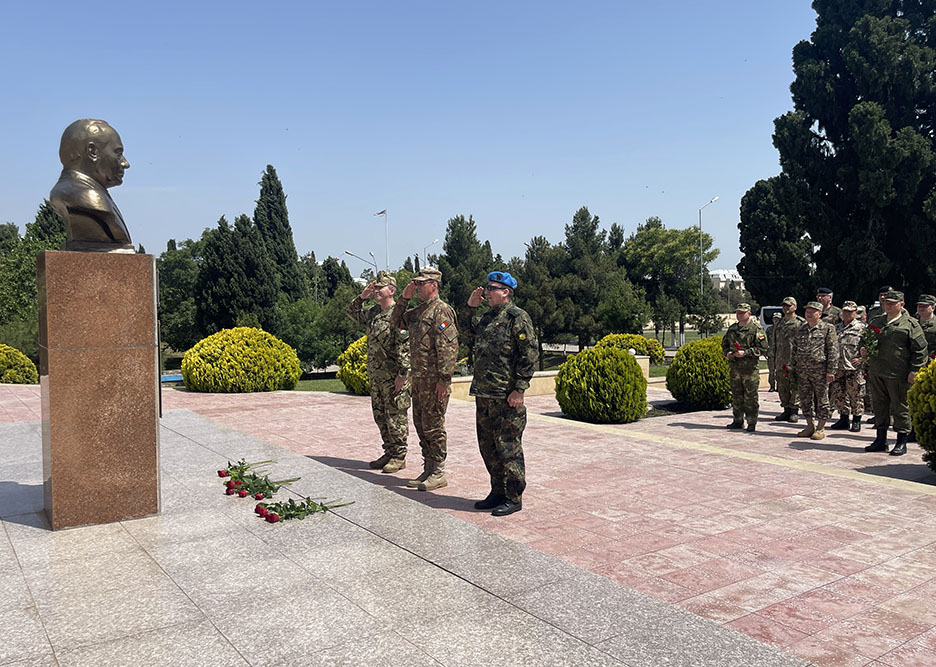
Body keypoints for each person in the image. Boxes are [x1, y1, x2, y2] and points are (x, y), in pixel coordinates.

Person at [466, 271, 538, 517]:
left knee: (508, 447)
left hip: (506, 395)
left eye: (491, 288)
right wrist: (470, 308)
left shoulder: (518, 318)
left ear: (505, 291)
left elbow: (529, 355)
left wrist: (519, 388)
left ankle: (514, 496)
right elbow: (466, 331)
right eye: (486, 288)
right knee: (488, 446)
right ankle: (497, 491)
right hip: (485, 394)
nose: (486, 292)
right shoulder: (487, 317)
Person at [390, 267, 459, 490]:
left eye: (421, 284)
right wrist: (403, 298)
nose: (418, 286)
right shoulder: (419, 311)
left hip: (434, 382)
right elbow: (396, 322)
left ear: (434, 285)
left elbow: (448, 348)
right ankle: (428, 468)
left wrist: (444, 380)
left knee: (434, 426)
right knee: (421, 424)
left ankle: (438, 471)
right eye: (416, 283)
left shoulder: (442, 311)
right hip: (419, 380)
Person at [347, 271, 411, 473]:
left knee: (395, 416)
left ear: (391, 291)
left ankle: (399, 456)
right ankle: (389, 451)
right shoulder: (374, 312)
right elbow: (352, 312)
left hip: (394, 377)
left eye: (379, 287)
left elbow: (405, 346)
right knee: (380, 415)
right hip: (377, 376)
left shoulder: (398, 315)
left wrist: (403, 374)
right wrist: (362, 297)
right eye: (374, 287)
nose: (375, 290)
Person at [50, 119, 134, 251]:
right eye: (118, 154)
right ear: (92, 152)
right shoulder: (88, 196)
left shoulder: (82, 192)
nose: (125, 163)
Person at [863, 290, 928, 456]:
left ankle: (901, 441)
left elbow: (920, 350)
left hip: (899, 374)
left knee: (900, 407)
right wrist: (862, 349)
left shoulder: (910, 324)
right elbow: (865, 340)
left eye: (892, 302)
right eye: (886, 302)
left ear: (902, 304)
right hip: (878, 371)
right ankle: (880, 439)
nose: (888, 305)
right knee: (879, 406)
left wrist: (915, 370)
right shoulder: (877, 322)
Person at [792, 301, 838, 440]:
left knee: (822, 400)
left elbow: (833, 350)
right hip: (802, 371)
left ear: (819, 313)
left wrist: (831, 370)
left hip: (820, 371)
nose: (809, 314)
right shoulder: (801, 329)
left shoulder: (827, 328)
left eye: (812, 311)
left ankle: (821, 427)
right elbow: (794, 349)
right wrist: (793, 367)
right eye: (807, 311)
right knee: (805, 399)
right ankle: (809, 425)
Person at [722, 303, 768, 432]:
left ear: (749, 313)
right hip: (735, 369)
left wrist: (746, 353)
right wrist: (727, 353)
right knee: (736, 395)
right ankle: (737, 420)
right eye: (738, 312)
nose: (739, 315)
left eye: (742, 312)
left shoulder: (756, 329)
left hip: (750, 370)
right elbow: (724, 345)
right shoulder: (732, 329)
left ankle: (751, 422)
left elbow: (763, 348)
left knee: (750, 397)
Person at [829, 301, 866, 432]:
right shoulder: (836, 328)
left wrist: (862, 359)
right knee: (840, 393)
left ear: (856, 313)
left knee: (856, 395)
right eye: (845, 311)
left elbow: (870, 346)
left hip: (853, 368)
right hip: (838, 366)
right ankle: (843, 419)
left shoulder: (862, 328)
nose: (847, 314)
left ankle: (856, 420)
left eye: (850, 312)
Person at [772, 297, 805, 422]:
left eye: (789, 306)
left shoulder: (800, 323)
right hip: (781, 360)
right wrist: (773, 359)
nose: (786, 308)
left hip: (794, 361)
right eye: (784, 306)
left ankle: (794, 411)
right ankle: (786, 409)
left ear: (795, 307)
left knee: (795, 387)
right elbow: (774, 342)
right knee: (782, 387)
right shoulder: (779, 323)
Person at [766, 312, 781, 391]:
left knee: (780, 371)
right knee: (771, 370)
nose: (776, 320)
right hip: (771, 353)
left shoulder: (782, 329)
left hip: (780, 353)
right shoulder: (769, 330)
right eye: (775, 319)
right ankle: (772, 386)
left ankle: (779, 386)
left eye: (778, 319)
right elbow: (766, 342)